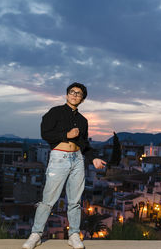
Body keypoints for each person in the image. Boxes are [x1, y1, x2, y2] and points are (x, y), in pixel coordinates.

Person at [22, 82, 107, 249]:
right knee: (48, 200)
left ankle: (74, 235)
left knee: (75, 201)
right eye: (72, 92)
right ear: (67, 94)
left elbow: (84, 143)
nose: (75, 95)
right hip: (59, 158)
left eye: (79, 94)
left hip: (78, 159)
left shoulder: (83, 121)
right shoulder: (55, 112)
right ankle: (36, 234)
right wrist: (66, 135)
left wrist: (94, 158)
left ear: (82, 99)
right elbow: (45, 133)